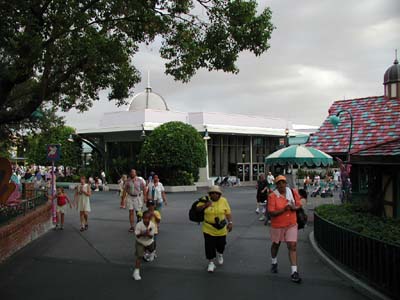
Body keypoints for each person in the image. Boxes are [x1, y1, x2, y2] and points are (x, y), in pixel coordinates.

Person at [268, 175, 302, 283]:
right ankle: (274, 262)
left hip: (291, 223)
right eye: (279, 183)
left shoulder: (292, 192)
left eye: (283, 182)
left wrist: (294, 208)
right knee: (276, 244)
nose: (282, 185)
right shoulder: (272, 196)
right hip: (278, 225)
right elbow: (271, 212)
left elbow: (299, 205)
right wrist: (284, 209)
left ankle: (294, 272)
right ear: (276, 185)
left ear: (286, 183)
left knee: (292, 245)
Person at [196, 185, 233, 273]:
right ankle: (211, 263)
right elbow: (197, 209)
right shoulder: (205, 199)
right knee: (209, 246)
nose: (214, 195)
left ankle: (220, 254)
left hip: (221, 228)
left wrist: (230, 222)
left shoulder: (224, 200)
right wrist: (205, 205)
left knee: (221, 244)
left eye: (216, 193)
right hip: (208, 228)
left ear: (219, 194)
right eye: (212, 193)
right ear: (209, 194)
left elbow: (228, 213)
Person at [132, 211, 156, 281]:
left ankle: (151, 253)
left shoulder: (152, 225)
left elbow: (151, 237)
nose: (146, 220)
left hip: (149, 242)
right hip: (140, 242)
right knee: (139, 256)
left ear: (150, 219)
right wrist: (142, 233)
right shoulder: (139, 225)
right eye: (145, 218)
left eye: (148, 218)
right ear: (142, 218)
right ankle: (136, 272)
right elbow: (137, 236)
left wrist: (148, 234)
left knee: (152, 249)